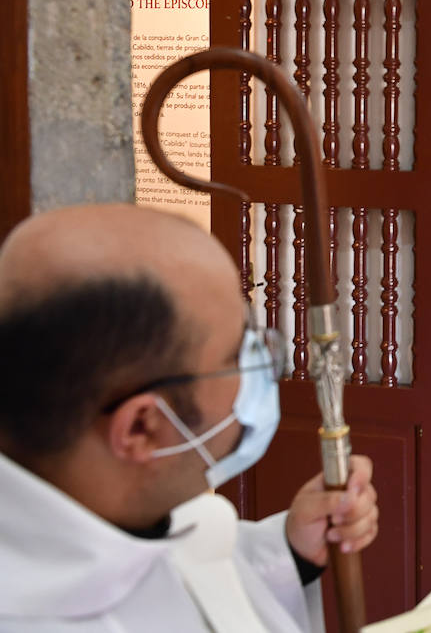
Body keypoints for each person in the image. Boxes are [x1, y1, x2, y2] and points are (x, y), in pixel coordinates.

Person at [0, 205, 380, 632]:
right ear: (142, 428)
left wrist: (289, 552)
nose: (263, 364)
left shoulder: (140, 511)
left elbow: (192, 578)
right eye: (238, 355)